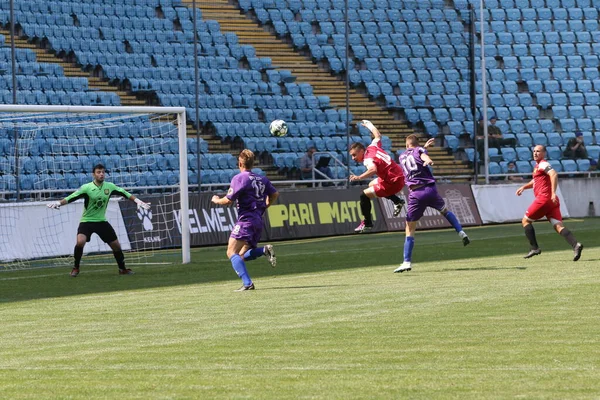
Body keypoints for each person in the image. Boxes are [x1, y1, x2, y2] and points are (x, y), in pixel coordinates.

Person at [46, 164, 151, 277]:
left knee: (116, 246)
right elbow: (72, 197)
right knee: (80, 242)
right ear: (93, 174)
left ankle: (122, 269)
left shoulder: (109, 186)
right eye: (98, 172)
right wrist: (59, 203)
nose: (101, 174)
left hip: (101, 221)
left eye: (103, 172)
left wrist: (138, 201)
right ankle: (76, 268)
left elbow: (125, 193)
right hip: (87, 221)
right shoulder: (87, 187)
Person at [394, 135, 470, 273]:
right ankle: (461, 232)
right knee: (445, 211)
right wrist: (428, 158)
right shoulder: (419, 151)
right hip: (430, 190)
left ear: (406, 145)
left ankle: (406, 262)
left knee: (409, 227)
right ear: (417, 144)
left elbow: (416, 154)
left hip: (416, 193)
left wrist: (425, 151)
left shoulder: (401, 156)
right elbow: (422, 155)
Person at [211, 149, 279, 291]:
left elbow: (228, 200)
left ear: (240, 163)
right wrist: (267, 204)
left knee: (231, 252)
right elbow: (275, 193)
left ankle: (248, 283)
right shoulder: (262, 179)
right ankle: (263, 251)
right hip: (258, 221)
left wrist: (216, 200)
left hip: (246, 221)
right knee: (241, 255)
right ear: (252, 163)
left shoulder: (239, 178)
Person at [516, 145, 583, 261]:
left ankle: (534, 248)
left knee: (525, 220)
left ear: (544, 153)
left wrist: (552, 192)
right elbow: (536, 181)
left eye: (538, 151)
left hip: (544, 199)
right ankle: (576, 245)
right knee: (558, 226)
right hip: (552, 201)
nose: (535, 153)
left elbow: (554, 174)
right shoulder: (538, 167)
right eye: (534, 151)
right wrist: (524, 187)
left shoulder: (543, 164)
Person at [349, 120, 406, 233]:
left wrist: (359, 177)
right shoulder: (372, 146)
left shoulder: (367, 159)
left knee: (363, 196)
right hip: (398, 175)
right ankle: (397, 201)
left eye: (354, 155)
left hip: (392, 183)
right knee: (371, 184)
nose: (353, 158)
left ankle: (367, 223)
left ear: (361, 151)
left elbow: (373, 169)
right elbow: (377, 135)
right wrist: (370, 125)